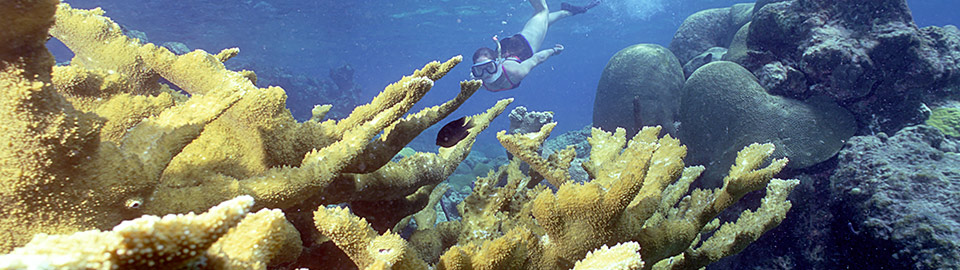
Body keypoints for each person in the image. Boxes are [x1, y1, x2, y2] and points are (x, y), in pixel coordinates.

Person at [471, 0, 601, 92]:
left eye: (489, 67)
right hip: (506, 48)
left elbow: (537, 59)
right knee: (543, 21)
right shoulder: (478, 82)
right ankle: (569, 11)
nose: (486, 74)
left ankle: (569, 11)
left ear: (497, 63)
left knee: (542, 11)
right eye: (479, 70)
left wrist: (554, 50)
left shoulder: (516, 72)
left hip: (524, 44)